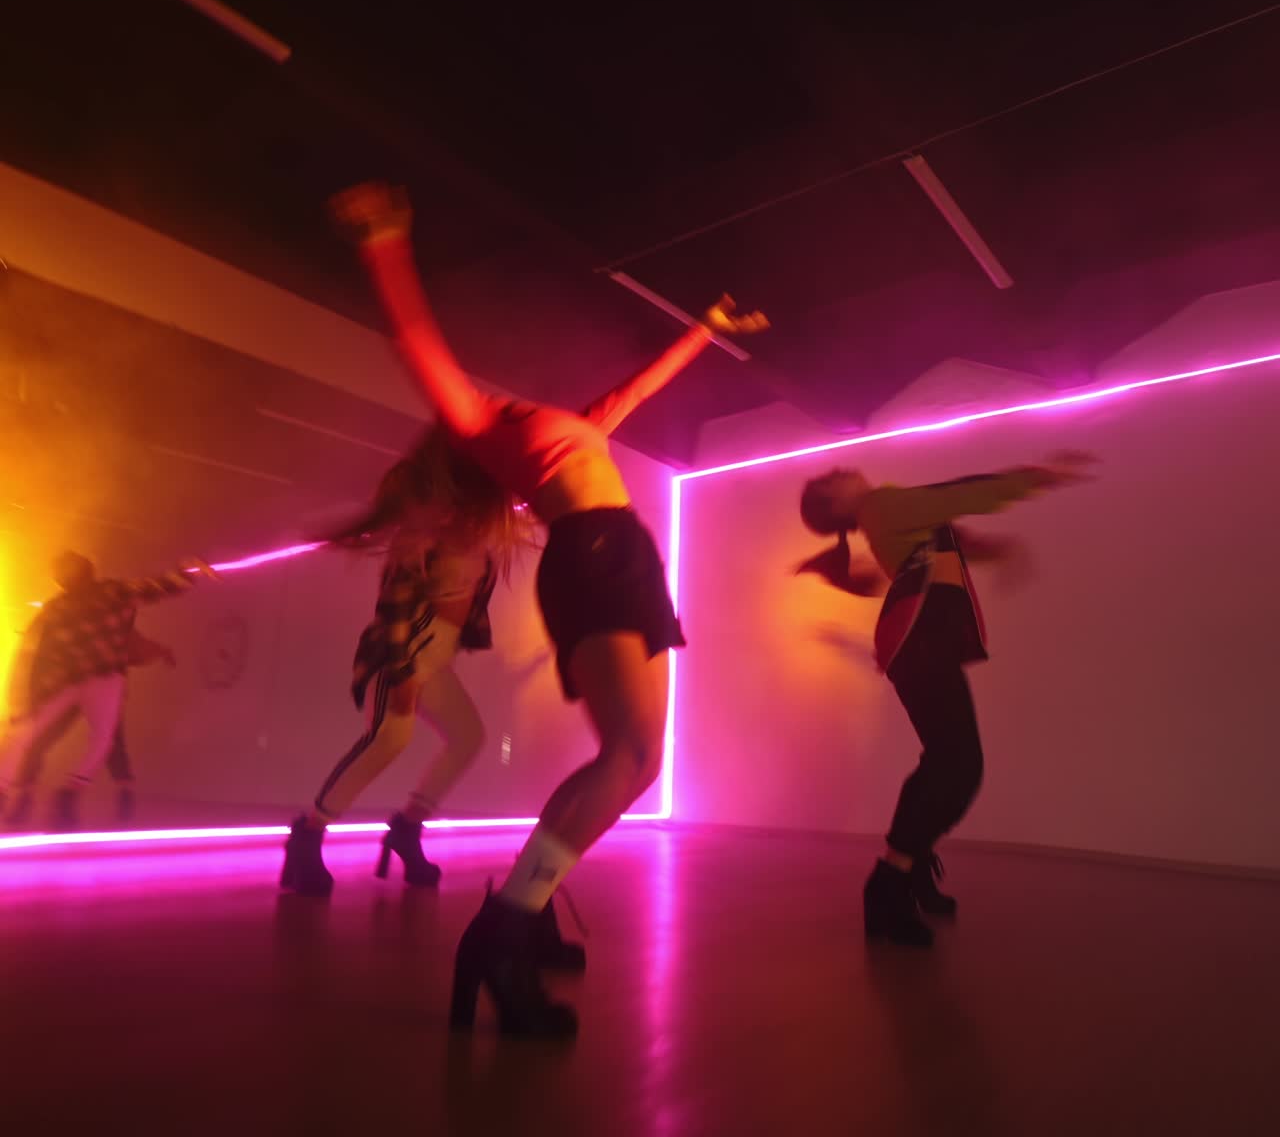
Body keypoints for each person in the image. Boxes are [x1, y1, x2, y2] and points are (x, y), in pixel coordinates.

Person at [331, 181, 768, 1037]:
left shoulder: (563, 425)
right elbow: (417, 343)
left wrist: (706, 329)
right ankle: (504, 932)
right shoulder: (481, 424)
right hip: (597, 553)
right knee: (631, 758)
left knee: (635, 761)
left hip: (624, 555)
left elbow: (635, 392)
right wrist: (384, 241)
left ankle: (523, 913)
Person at [798, 451, 1096, 947]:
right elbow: (957, 495)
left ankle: (909, 868)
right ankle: (888, 883)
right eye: (832, 478)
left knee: (944, 763)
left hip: (919, 647)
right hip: (920, 646)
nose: (842, 469)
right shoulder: (882, 505)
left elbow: (949, 535)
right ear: (836, 503)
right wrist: (1036, 476)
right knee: (959, 766)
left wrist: (995, 549)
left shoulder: (887, 514)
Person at [281, 431, 555, 922]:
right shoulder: (422, 536)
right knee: (389, 739)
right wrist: (403, 670)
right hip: (401, 652)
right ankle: (308, 835)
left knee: (468, 736)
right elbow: (394, 608)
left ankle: (406, 831)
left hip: (435, 658)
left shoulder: (478, 533)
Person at [0, 550, 217, 831]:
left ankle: (63, 793)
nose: (64, 579)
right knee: (38, 734)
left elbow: (154, 588)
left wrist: (187, 572)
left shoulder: (100, 596)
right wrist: (22, 697)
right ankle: (42, 792)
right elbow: (31, 653)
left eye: (66, 572)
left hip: (96, 679)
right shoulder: (63, 607)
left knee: (99, 738)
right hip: (76, 679)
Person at [3, 627, 175, 829]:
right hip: (80, 677)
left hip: (85, 677)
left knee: (104, 741)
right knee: (98, 740)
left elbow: (133, 646)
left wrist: (159, 650)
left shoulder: (112, 623)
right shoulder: (106, 622)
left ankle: (48, 797)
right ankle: (43, 797)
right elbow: (132, 646)